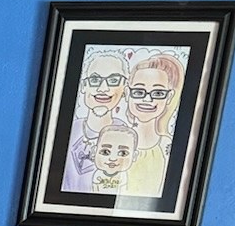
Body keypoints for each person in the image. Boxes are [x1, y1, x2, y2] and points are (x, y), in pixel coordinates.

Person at [63, 48, 130, 192]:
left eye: (113, 80)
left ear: (124, 89)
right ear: (83, 86)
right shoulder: (68, 128)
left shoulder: (126, 135)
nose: (102, 88)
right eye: (94, 80)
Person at [124, 50, 185, 196]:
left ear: (169, 97)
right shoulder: (115, 137)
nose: (147, 99)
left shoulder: (167, 146)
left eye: (158, 93)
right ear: (127, 93)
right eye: (139, 91)